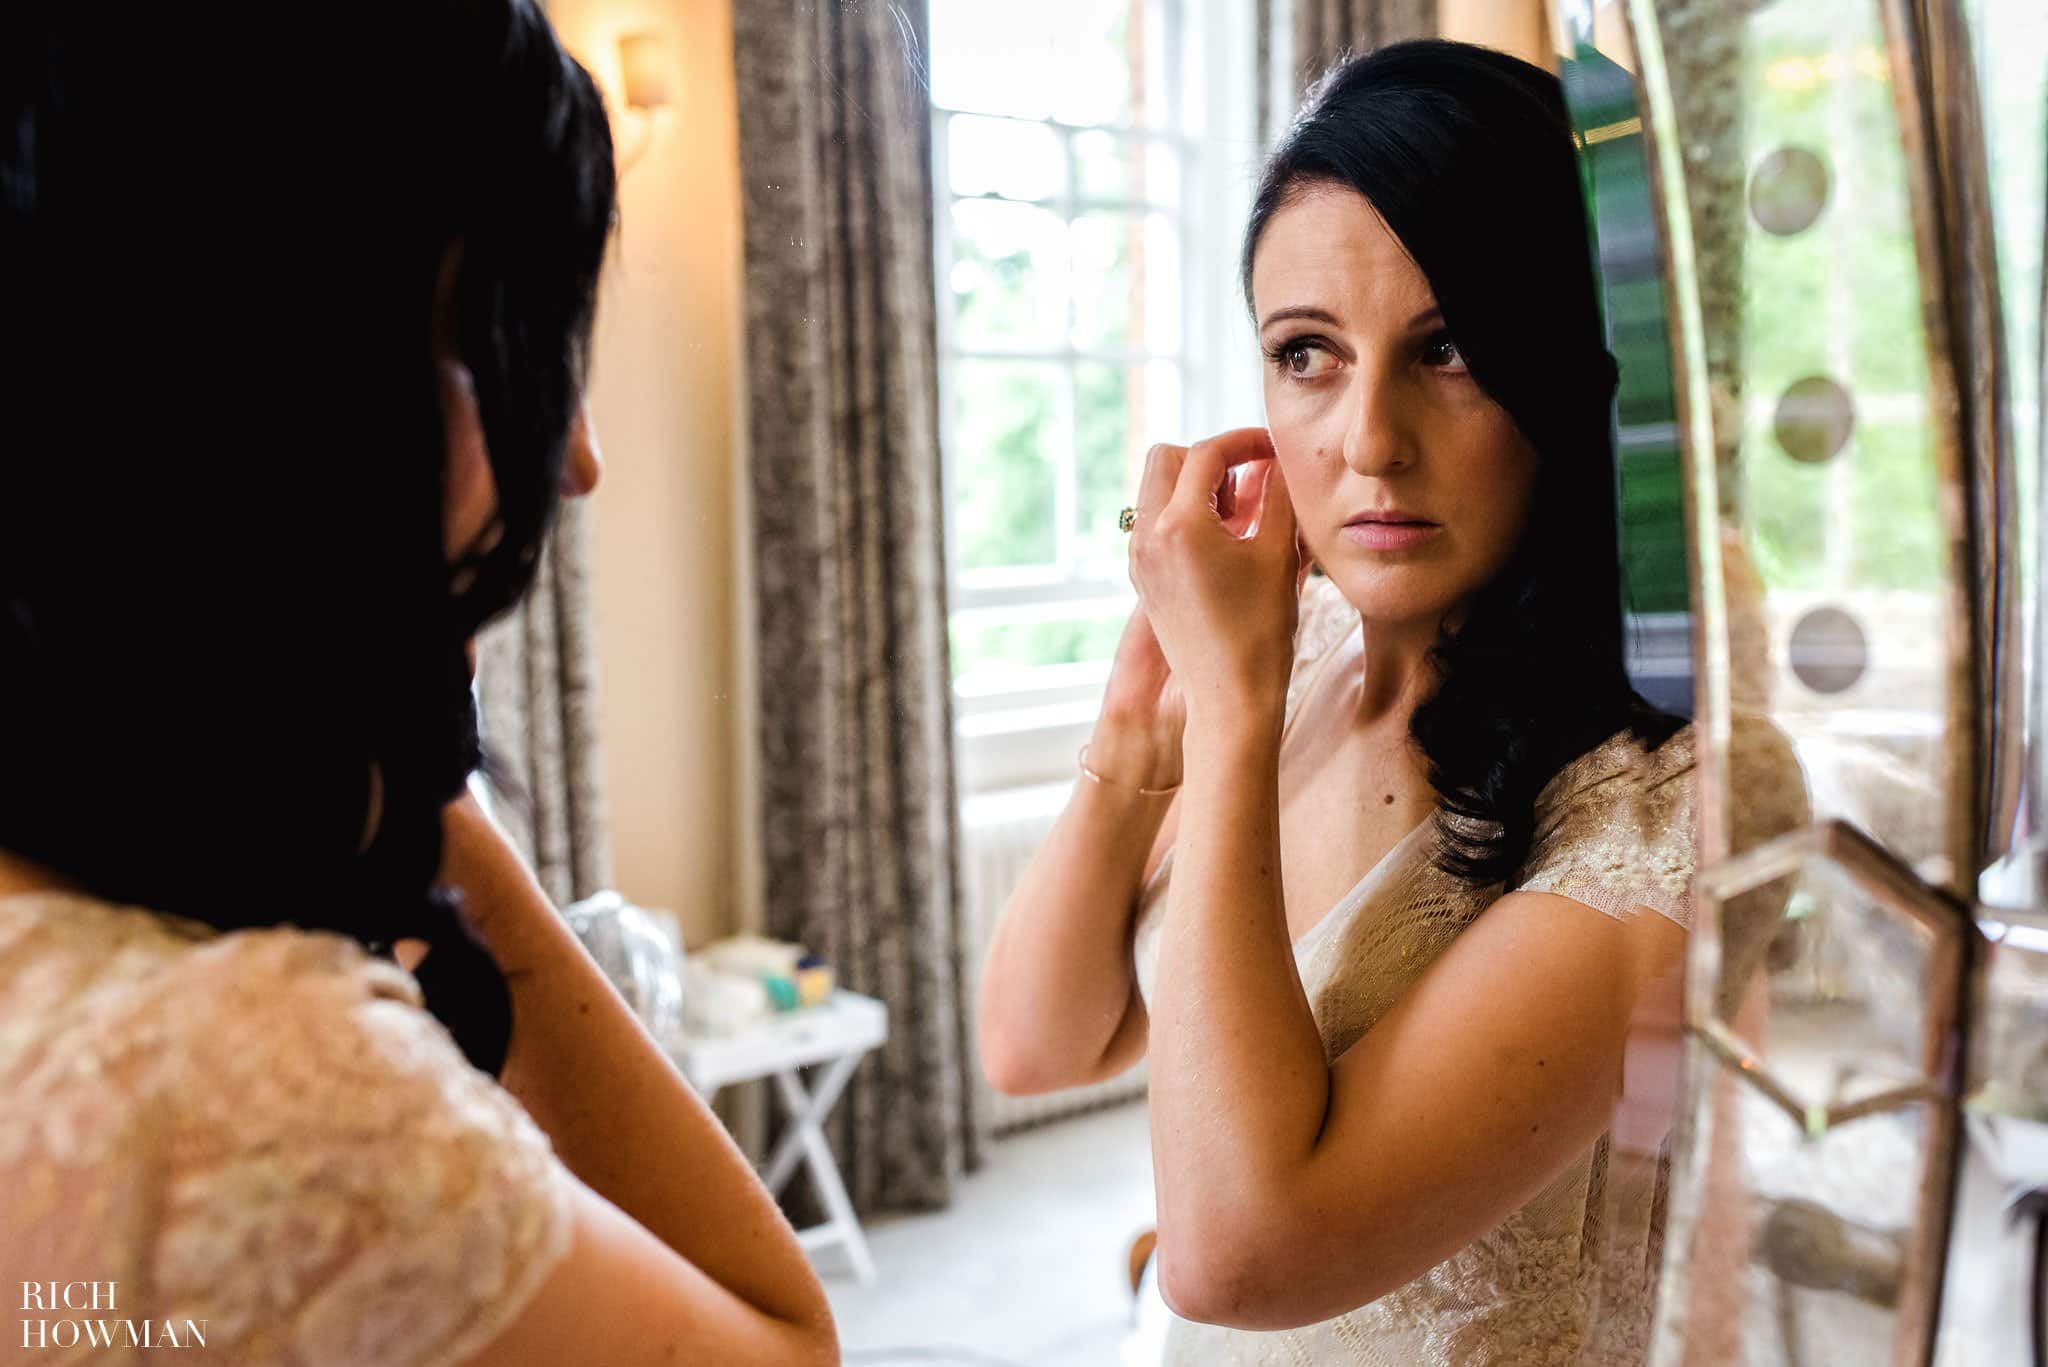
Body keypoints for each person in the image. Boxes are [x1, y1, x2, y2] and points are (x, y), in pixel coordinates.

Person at [0, 5, 836, 1364]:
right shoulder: (241, 1091)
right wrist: (420, 769)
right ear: (298, 381)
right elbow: (785, 1342)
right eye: (518, 348)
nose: (578, 464)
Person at [979, 40, 1696, 1364]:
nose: (1369, 440)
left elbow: (1238, 1254)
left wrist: (1236, 733)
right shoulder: (1289, 649)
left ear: (1567, 368)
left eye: (1450, 350)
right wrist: (1146, 716)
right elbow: (1035, 1043)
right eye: (1306, 353)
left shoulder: (1658, 818)